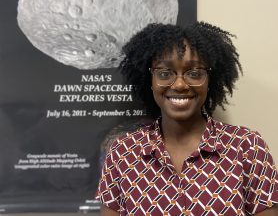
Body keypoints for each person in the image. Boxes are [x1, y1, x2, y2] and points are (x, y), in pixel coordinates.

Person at [96, 22, 278, 216]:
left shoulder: (247, 147)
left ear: (210, 80)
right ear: (149, 81)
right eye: (165, 73)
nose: (180, 84)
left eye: (194, 73)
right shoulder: (122, 152)